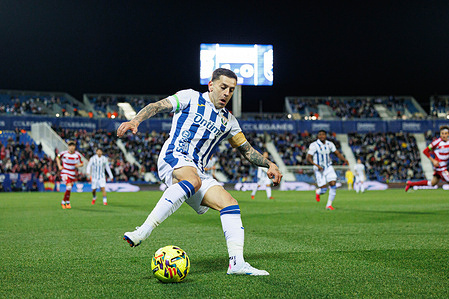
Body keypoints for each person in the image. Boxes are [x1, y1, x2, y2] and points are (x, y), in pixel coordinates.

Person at [116, 68, 282, 276]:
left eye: (231, 90)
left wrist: (269, 165)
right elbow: (157, 106)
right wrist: (135, 120)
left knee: (229, 204)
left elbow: (246, 150)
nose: (226, 93)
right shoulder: (190, 97)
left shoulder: (229, 121)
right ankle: (143, 231)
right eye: (223, 87)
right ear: (211, 85)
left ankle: (237, 263)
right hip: (174, 156)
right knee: (192, 180)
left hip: (197, 171)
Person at [306, 130, 348, 210]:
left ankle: (329, 205)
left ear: (325, 136)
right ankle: (318, 192)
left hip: (328, 167)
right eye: (320, 135)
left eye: (323, 135)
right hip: (319, 169)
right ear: (318, 136)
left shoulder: (330, 144)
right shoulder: (314, 145)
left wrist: (344, 160)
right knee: (324, 189)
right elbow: (308, 158)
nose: (321, 136)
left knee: (333, 184)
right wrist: (316, 165)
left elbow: (337, 153)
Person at [405, 125, 449, 191]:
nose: (444, 135)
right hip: (440, 167)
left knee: (432, 183)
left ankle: (411, 184)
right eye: (442, 133)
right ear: (440, 134)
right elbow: (425, 151)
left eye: (445, 133)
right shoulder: (436, 142)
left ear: (448, 134)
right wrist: (433, 160)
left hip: (444, 166)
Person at [56, 141, 83, 209]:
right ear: (68, 147)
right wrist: (59, 166)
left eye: (73, 146)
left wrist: (78, 165)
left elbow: (82, 163)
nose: (71, 147)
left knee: (69, 188)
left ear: (74, 147)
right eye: (70, 146)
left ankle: (67, 202)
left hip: (72, 174)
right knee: (69, 187)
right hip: (65, 172)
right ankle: (63, 202)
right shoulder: (63, 153)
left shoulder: (78, 155)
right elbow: (57, 157)